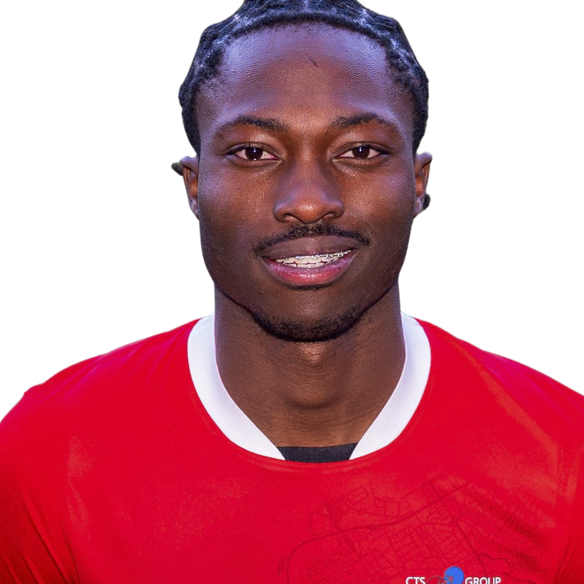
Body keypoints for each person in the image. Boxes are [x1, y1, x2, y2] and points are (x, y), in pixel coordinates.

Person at [1, 1, 582, 582]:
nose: (307, 201)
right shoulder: (49, 449)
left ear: (417, 181)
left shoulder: (564, 454)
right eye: (254, 153)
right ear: (194, 187)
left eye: (360, 151)